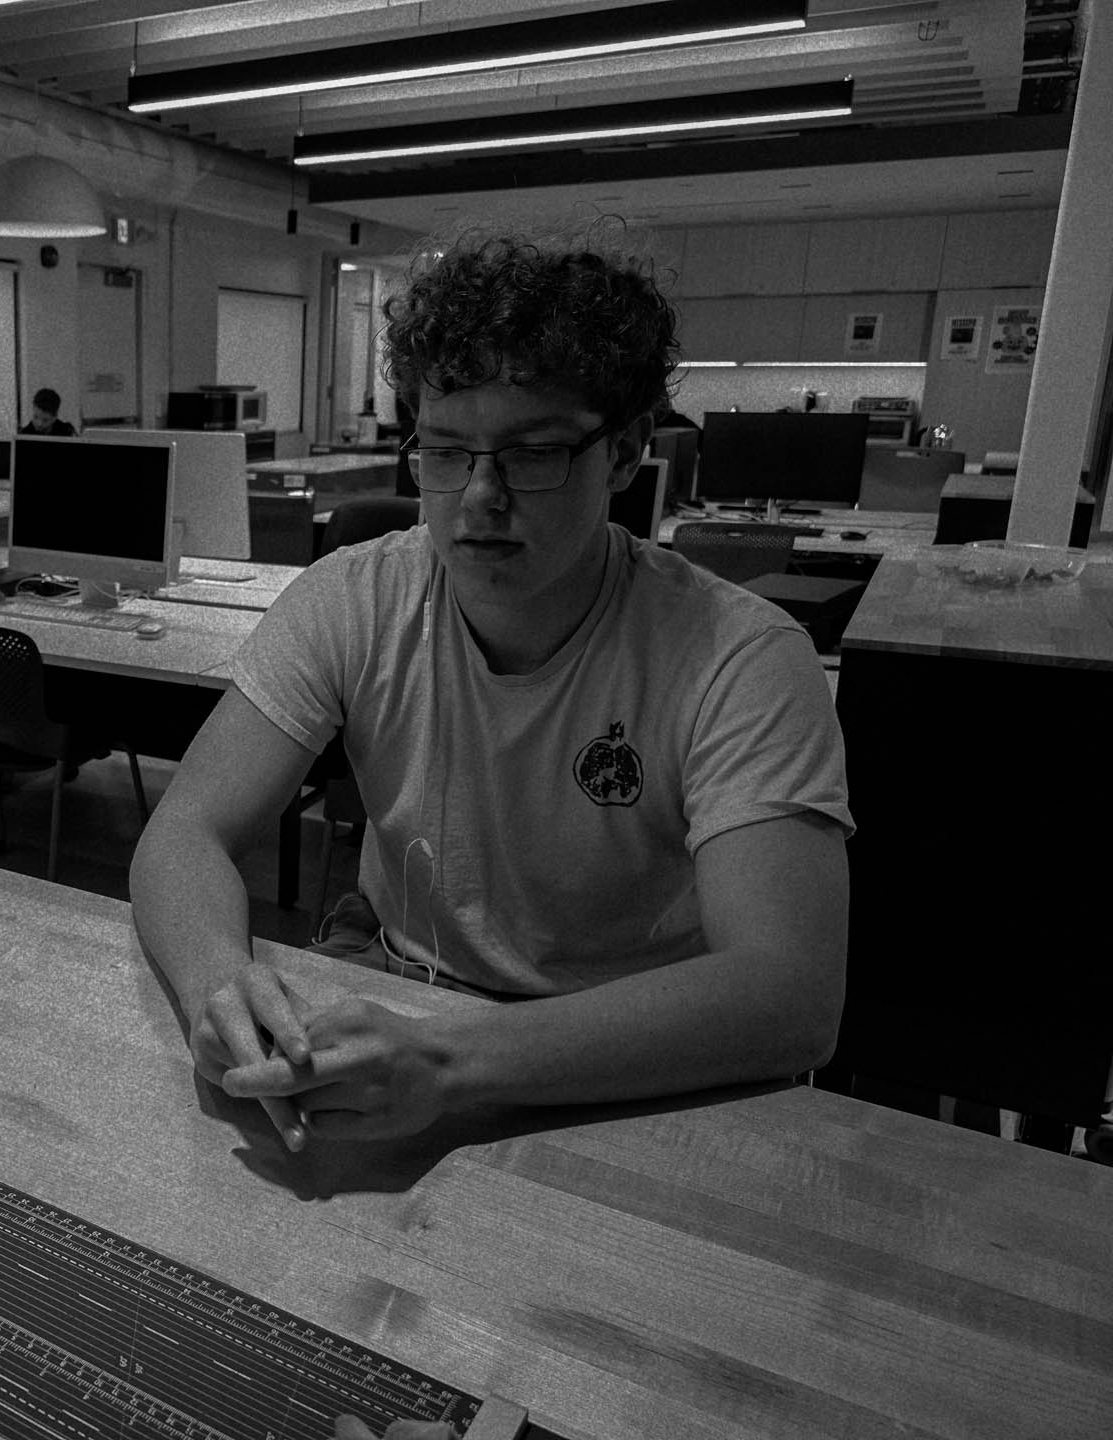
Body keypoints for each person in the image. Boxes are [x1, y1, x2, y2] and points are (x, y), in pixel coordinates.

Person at [129, 229, 851, 1152]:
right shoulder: (354, 597)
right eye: (445, 452)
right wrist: (216, 981)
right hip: (400, 990)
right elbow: (184, 831)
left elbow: (789, 995)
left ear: (625, 452)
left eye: (532, 453)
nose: (478, 497)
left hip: (624, 1057)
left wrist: (451, 1063)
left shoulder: (741, 657)